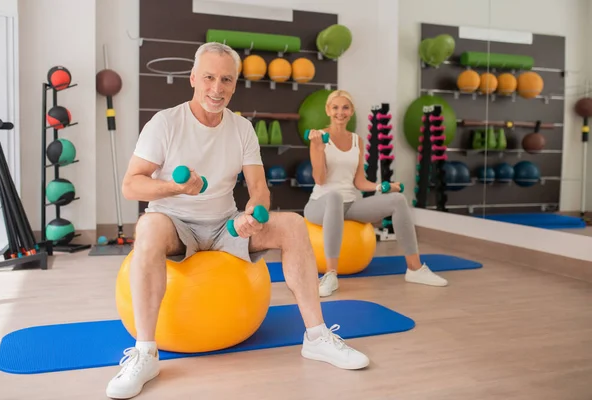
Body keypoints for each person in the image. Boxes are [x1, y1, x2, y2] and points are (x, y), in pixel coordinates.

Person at [105, 44, 369, 399]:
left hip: (224, 225)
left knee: (291, 224)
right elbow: (131, 184)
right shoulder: (165, 123)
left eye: (226, 79)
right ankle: (145, 353)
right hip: (174, 220)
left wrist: (252, 215)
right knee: (148, 225)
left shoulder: (242, 128)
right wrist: (174, 187)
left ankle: (318, 337)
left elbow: (259, 188)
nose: (217, 88)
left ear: (235, 83)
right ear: (193, 79)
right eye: (210, 78)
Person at [304, 90, 448, 298]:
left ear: (351, 111)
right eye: (335, 107)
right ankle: (330, 275)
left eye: (345, 107)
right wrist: (318, 149)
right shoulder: (318, 138)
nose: (340, 112)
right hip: (320, 204)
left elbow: (359, 181)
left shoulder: (356, 141)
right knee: (335, 196)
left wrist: (383, 187)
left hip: (350, 204)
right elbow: (320, 180)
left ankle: (415, 269)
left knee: (398, 200)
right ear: (328, 110)